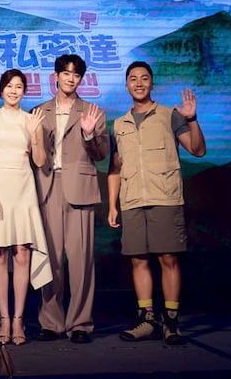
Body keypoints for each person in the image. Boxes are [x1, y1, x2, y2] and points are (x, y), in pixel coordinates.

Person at [107, 60, 206, 345]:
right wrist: (113, 205)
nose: (139, 83)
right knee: (138, 260)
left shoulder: (169, 116)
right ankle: (147, 320)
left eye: (144, 78)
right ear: (126, 85)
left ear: (152, 83)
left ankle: (171, 321)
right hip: (132, 200)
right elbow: (115, 169)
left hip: (165, 197)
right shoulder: (119, 125)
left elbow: (198, 150)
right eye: (133, 79)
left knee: (168, 259)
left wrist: (192, 119)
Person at [32, 54, 109, 344]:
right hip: (48, 188)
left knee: (81, 260)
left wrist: (89, 135)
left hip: (79, 189)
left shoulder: (92, 111)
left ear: (81, 79)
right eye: (65, 73)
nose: (70, 78)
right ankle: (51, 322)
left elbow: (101, 154)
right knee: (50, 259)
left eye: (76, 74)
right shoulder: (39, 111)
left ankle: (80, 323)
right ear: (56, 76)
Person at [0, 69, 53, 346]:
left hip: (23, 188)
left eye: (19, 86)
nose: (14, 90)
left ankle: (18, 319)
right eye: (9, 86)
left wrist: (35, 135)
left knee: (22, 253)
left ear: (24, 91)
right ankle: (3, 319)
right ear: (1, 89)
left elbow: (40, 161)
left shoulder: (32, 119)